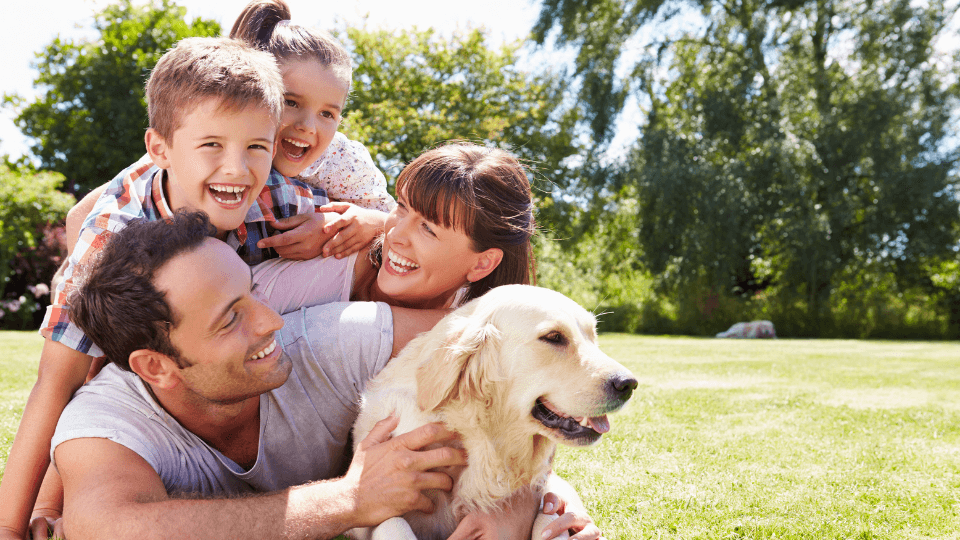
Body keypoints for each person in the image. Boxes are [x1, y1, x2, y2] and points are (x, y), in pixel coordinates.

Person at [51, 211, 589, 540]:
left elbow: (514, 355)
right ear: (155, 366)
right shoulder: (105, 421)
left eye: (253, 293)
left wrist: (515, 507)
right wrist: (350, 500)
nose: (270, 322)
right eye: (230, 318)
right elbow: (106, 529)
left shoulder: (331, 338)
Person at [0, 36, 340, 540]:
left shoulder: (277, 197)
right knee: (100, 360)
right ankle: (59, 499)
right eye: (213, 146)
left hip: (222, 315)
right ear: (159, 148)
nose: (237, 168)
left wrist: (369, 225)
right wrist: (12, 524)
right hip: (144, 302)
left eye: (256, 147)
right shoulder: (111, 239)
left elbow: (384, 230)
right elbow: (56, 382)